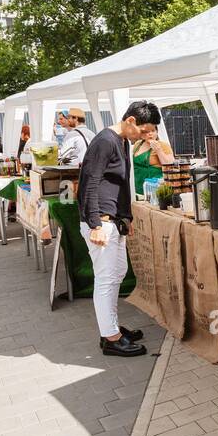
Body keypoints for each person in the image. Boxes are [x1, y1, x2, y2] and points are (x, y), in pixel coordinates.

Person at [79, 100, 161, 357]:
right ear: (131, 121)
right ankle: (110, 337)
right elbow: (89, 181)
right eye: (145, 130)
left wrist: (126, 218)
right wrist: (95, 223)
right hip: (100, 221)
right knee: (106, 278)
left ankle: (111, 327)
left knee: (117, 273)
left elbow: (121, 183)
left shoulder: (123, 141)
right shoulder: (105, 140)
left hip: (113, 220)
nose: (147, 136)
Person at [131, 122, 176, 199]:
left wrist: (158, 150)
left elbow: (170, 165)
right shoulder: (138, 144)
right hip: (137, 189)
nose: (150, 134)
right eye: (147, 132)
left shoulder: (163, 145)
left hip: (154, 190)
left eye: (153, 131)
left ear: (157, 132)